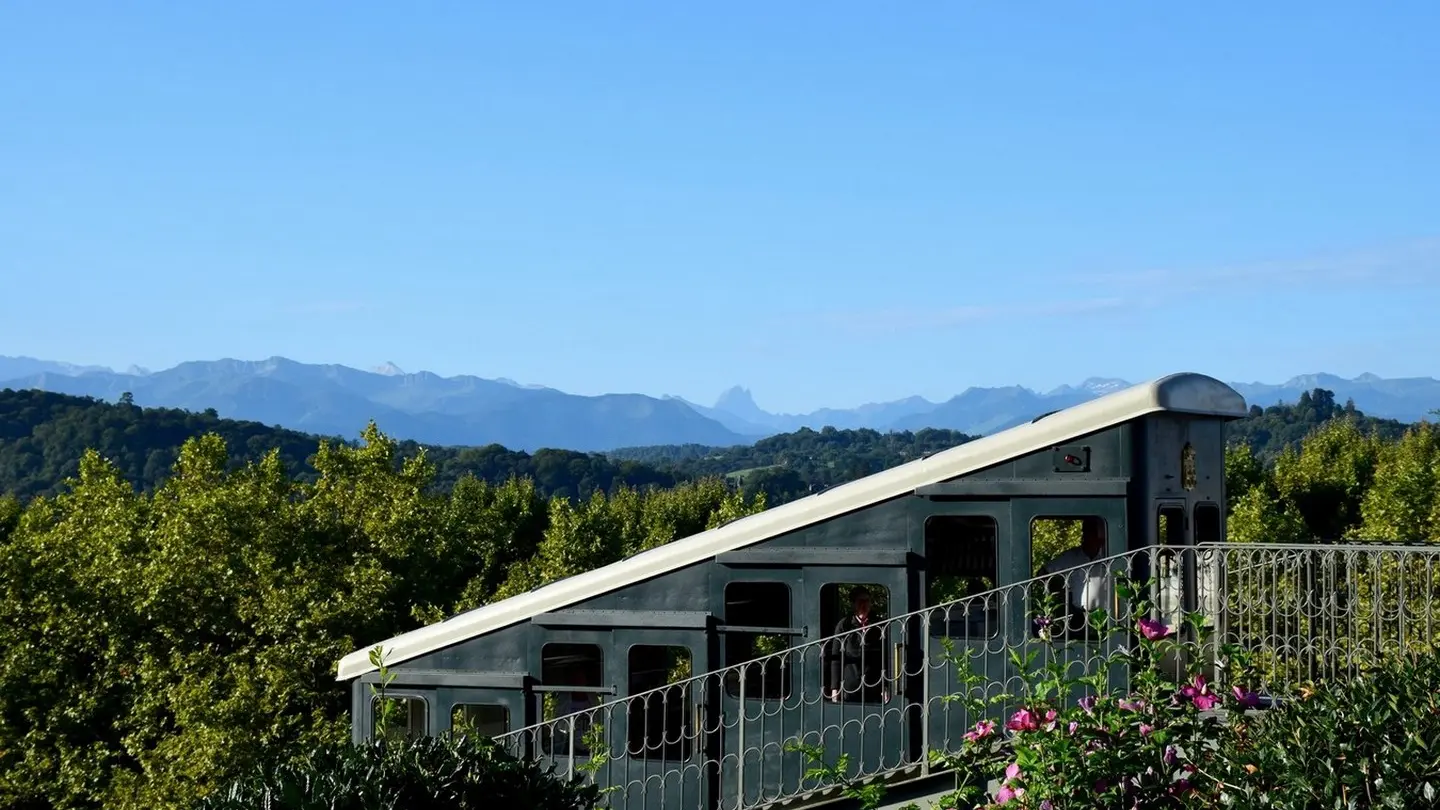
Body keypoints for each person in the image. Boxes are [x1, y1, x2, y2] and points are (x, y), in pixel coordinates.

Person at [1036, 517, 1109, 637]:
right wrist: (1058, 591)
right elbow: (1042, 574)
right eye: (1087, 534)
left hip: (1105, 616)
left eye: (1096, 535)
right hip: (1078, 617)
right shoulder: (1070, 557)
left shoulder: (1108, 554)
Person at [827, 587, 889, 703]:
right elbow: (836, 658)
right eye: (860, 601)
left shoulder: (879, 625)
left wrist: (885, 686)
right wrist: (835, 689)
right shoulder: (844, 625)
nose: (864, 605)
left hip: (874, 684)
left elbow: (885, 656)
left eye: (867, 601)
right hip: (851, 685)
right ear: (853, 604)